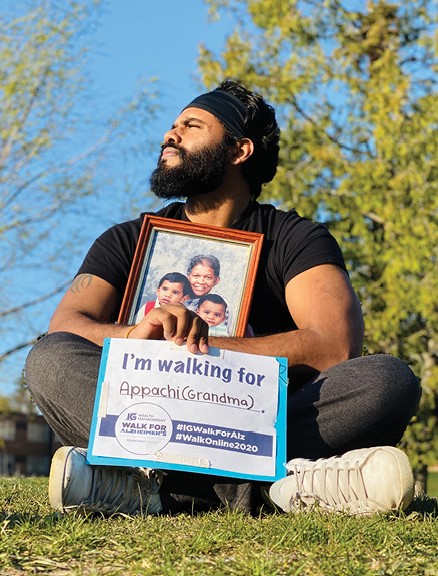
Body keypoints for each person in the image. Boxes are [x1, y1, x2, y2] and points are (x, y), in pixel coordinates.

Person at [25, 79, 421, 517]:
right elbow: (66, 326)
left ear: (239, 150)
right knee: (50, 357)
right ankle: (281, 489)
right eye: (173, 126)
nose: (169, 135)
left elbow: (335, 345)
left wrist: (200, 349)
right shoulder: (127, 239)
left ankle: (149, 492)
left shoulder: (296, 238)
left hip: (258, 426)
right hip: (146, 420)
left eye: (191, 125)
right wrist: (140, 337)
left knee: (387, 379)